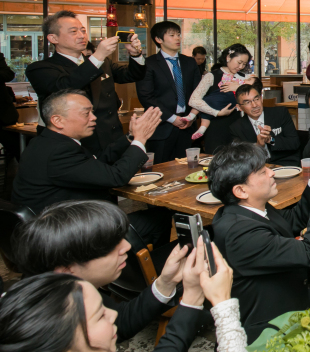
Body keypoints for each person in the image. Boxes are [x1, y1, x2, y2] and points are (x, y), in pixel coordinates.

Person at [0, 243, 249, 352]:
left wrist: (169, 284)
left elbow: (124, 323)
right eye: (100, 315)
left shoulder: (64, 298)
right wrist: (224, 308)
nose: (126, 247)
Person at [12, 200, 197, 344]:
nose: (127, 246)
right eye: (109, 246)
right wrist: (192, 302)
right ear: (67, 269)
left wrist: (165, 283)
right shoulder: (48, 334)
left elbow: (121, 321)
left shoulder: (67, 289)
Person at [209, 142, 310, 342]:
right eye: (262, 172)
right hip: (269, 326)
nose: (271, 173)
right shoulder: (239, 233)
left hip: (291, 292)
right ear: (241, 191)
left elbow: (296, 218)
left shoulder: (250, 209)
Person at [11, 89, 171, 246]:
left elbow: (95, 165)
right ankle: (149, 268)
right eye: (86, 113)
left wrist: (130, 138)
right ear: (58, 120)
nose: (94, 118)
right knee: (159, 218)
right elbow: (116, 177)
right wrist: (140, 139)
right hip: (61, 234)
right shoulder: (58, 151)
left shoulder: (48, 142)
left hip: (56, 224)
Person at [26, 10, 146, 156]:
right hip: (77, 143)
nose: (82, 35)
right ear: (53, 38)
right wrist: (98, 56)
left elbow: (133, 75)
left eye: (83, 30)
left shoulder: (101, 62)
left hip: (112, 137)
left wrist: (135, 54)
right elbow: (66, 86)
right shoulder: (41, 68)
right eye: (73, 31)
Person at [136, 21, 202, 164]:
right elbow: (146, 96)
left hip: (188, 125)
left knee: (189, 167)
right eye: (172, 35)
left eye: (178, 34)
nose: (177, 38)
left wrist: (191, 116)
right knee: (162, 167)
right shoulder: (149, 64)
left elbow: (199, 92)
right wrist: (172, 118)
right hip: (162, 127)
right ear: (159, 40)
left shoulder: (189, 62)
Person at [189, 44, 257, 152]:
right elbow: (193, 100)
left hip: (238, 127)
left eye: (244, 64)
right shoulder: (211, 76)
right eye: (239, 62)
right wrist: (216, 112)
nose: (241, 67)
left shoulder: (245, 78)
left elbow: (256, 97)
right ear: (228, 57)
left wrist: (239, 87)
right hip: (215, 127)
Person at [229, 84, 301, 166]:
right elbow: (239, 157)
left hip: (284, 164)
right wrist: (258, 146)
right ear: (239, 107)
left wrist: (271, 140)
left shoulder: (280, 113)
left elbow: (294, 143)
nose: (255, 105)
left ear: (261, 98)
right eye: (248, 102)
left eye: (256, 99)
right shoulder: (236, 127)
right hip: (257, 168)